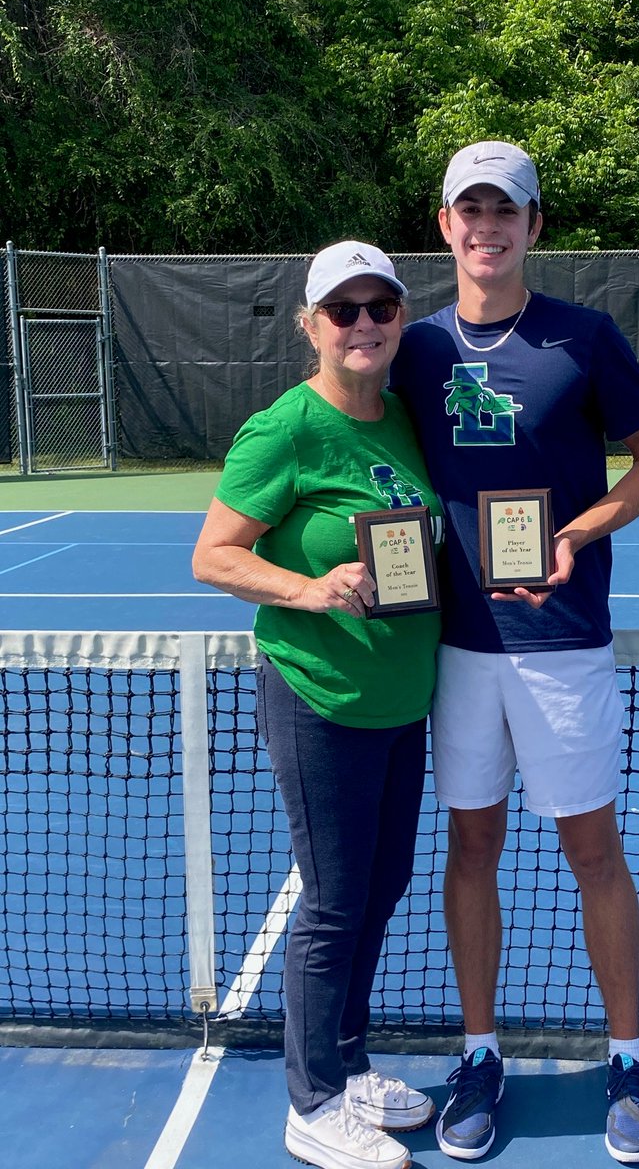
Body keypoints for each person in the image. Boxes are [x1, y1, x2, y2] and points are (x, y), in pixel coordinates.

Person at [390, 142, 639, 1165]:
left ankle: (627, 1058)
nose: (486, 228)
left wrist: (582, 531)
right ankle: (481, 1055)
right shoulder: (412, 349)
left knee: (592, 852)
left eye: (504, 211)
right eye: (468, 211)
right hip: (458, 650)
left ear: (533, 226)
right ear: (444, 227)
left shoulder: (585, 338)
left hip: (562, 648)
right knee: (471, 850)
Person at [193, 241, 445, 1169]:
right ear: (312, 326)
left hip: (400, 702)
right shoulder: (285, 429)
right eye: (344, 311)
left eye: (380, 307)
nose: (365, 324)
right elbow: (214, 554)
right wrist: (307, 589)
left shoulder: (410, 420)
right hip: (320, 697)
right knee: (336, 900)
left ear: (400, 319)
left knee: (380, 890)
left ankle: (349, 1060)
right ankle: (312, 1101)